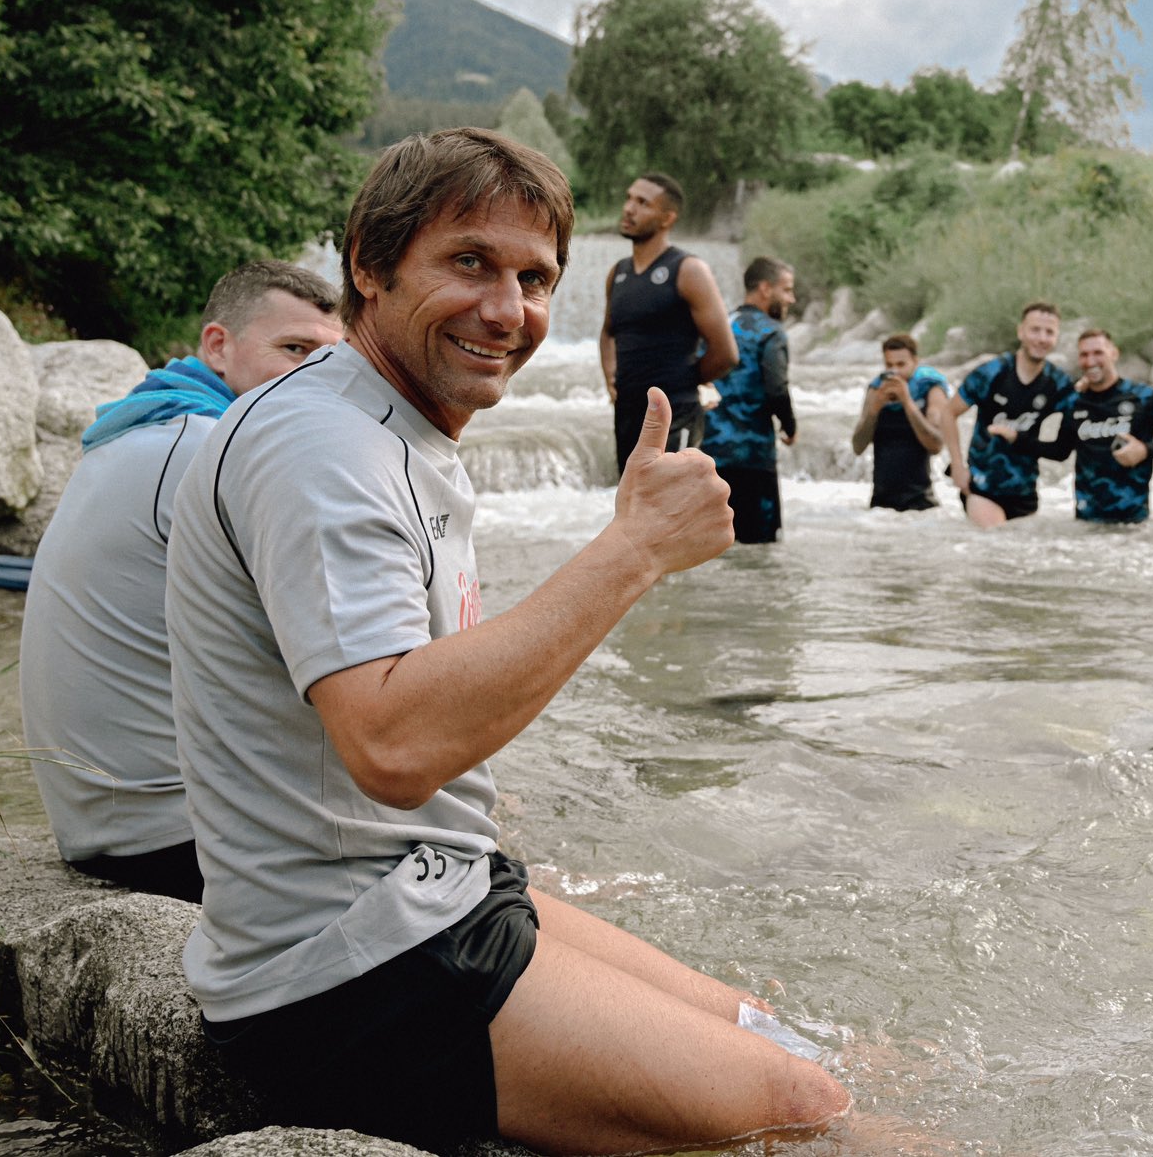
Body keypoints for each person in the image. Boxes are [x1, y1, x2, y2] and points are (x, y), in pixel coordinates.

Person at [164, 129, 848, 1154]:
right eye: (469, 262)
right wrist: (631, 553)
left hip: (429, 890)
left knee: (780, 1032)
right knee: (804, 1114)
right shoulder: (323, 445)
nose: (508, 310)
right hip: (349, 974)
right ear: (367, 261)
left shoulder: (390, 424)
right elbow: (391, 743)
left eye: (534, 278)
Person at [18, 260, 342, 903]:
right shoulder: (212, 452)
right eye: (294, 349)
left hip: (107, 824)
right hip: (174, 842)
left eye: (331, 359)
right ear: (218, 345)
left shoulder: (147, 427)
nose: (315, 377)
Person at [600, 172, 737, 455]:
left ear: (667, 219)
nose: (629, 208)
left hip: (676, 412)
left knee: (671, 499)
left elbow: (726, 353)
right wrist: (610, 379)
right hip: (627, 411)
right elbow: (608, 332)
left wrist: (683, 381)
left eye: (643, 203)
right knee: (632, 499)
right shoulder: (618, 272)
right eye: (628, 198)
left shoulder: (688, 270)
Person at [937, 300, 1071, 527]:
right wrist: (958, 466)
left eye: (1049, 332)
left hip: (1025, 489)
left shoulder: (1057, 382)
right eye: (1035, 330)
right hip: (982, 486)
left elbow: (1068, 439)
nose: (1041, 338)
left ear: (1056, 338)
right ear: (1021, 332)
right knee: (996, 542)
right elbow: (949, 413)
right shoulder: (991, 373)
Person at [1035, 328, 1153, 523]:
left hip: (1134, 522)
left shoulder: (1143, 396)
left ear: (1114, 353)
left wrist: (1145, 450)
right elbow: (1060, 451)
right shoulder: (1073, 402)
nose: (1090, 361)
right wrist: (1016, 440)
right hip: (1085, 521)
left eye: (1098, 353)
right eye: (1084, 355)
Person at [700, 256, 798, 544]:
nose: (791, 298)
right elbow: (776, 387)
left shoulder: (720, 324)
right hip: (753, 455)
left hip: (711, 453)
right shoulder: (770, 331)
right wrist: (790, 427)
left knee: (717, 545)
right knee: (760, 548)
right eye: (787, 289)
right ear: (765, 289)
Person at [850, 334, 951, 512]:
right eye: (889, 365)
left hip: (921, 503)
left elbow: (936, 445)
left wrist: (907, 402)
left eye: (901, 365)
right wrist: (875, 409)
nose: (895, 371)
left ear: (915, 362)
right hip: (880, 506)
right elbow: (858, 447)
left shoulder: (931, 390)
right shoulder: (876, 389)